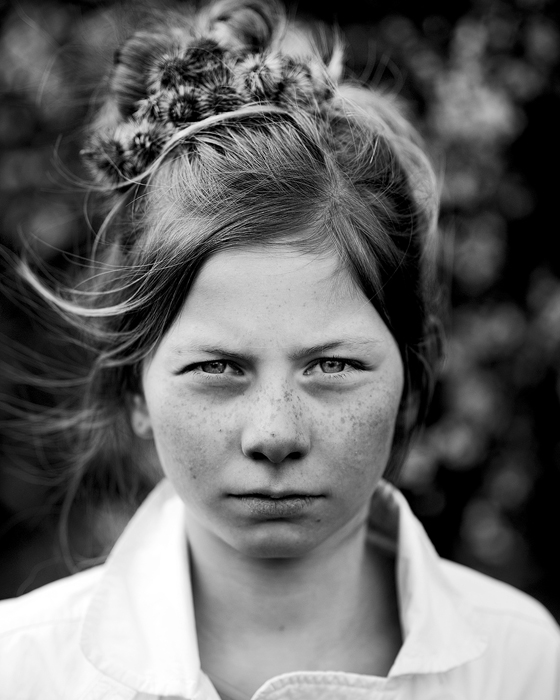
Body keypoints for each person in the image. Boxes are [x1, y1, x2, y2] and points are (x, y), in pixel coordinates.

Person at [0, 0, 559, 698]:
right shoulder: (24, 670)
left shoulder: (525, 664)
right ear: (135, 387)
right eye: (216, 368)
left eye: (332, 365)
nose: (274, 435)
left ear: (412, 377)